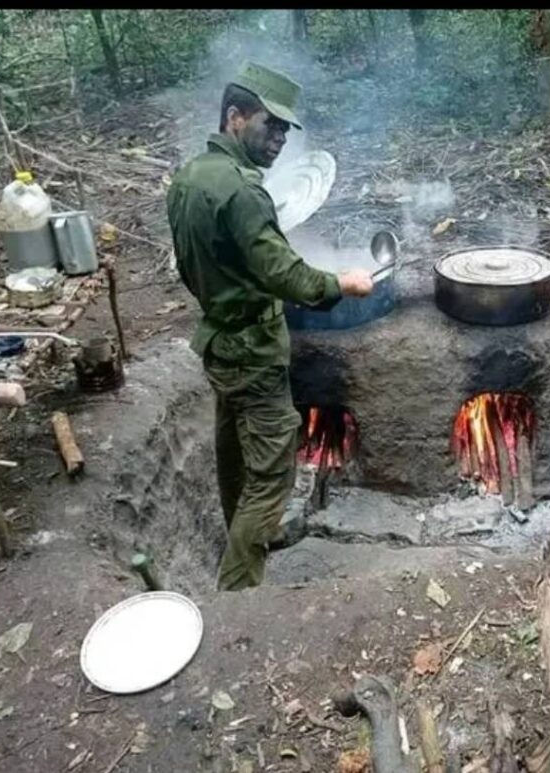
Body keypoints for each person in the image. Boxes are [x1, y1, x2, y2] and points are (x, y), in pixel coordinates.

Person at [167, 61, 374, 591]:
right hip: (252, 348)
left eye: (285, 129)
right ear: (235, 118)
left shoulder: (189, 178)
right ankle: (239, 592)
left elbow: (195, 266)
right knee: (273, 470)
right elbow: (282, 271)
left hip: (218, 339)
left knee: (234, 452)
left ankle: (245, 536)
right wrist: (342, 284)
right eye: (270, 125)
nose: (279, 138)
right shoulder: (242, 191)